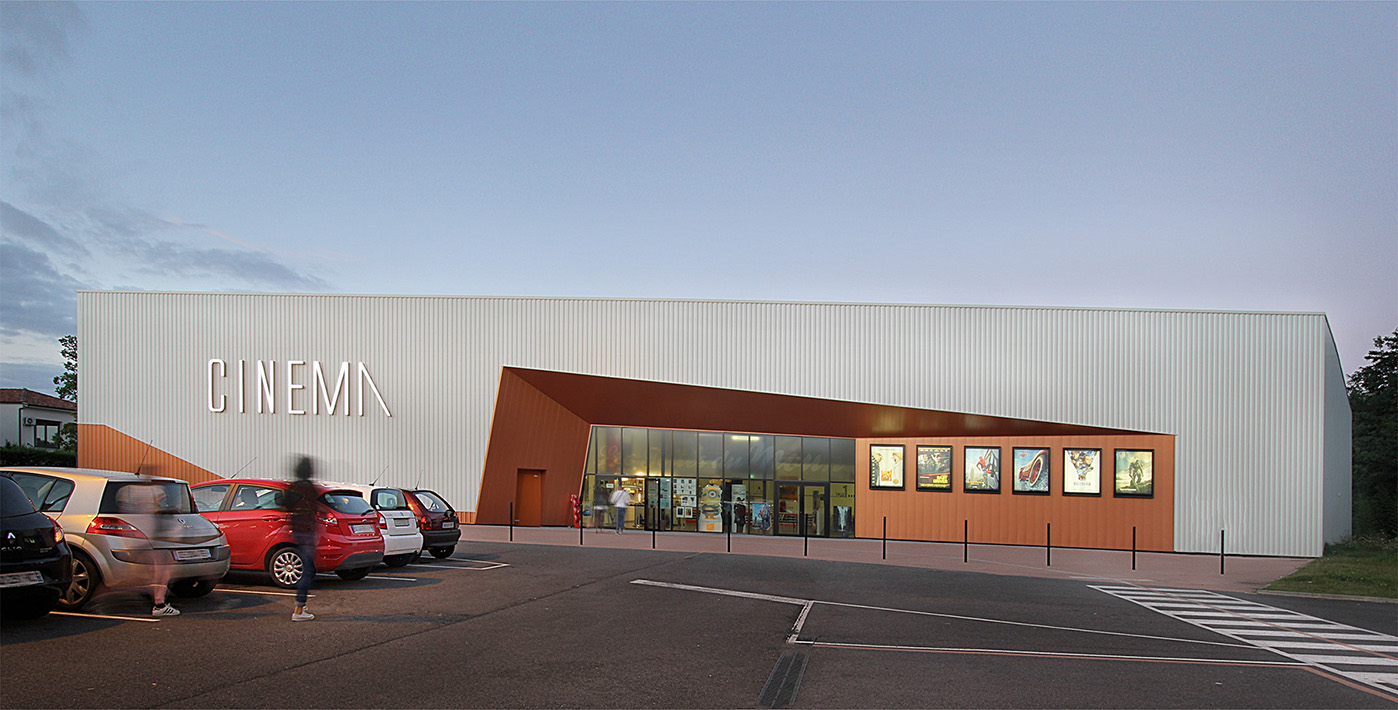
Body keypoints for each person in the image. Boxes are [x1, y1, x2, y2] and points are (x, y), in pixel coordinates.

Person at [117, 482, 179, 617]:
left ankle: (157, 603)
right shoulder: (154, 490)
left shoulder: (128, 490)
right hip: (154, 538)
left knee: (152, 571)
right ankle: (159, 604)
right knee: (162, 571)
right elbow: (159, 508)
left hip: (139, 536)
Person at [284, 457, 319, 621]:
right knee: (307, 570)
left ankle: (301, 607)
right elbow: (316, 507)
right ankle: (298, 609)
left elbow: (285, 504)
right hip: (307, 531)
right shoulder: (309, 488)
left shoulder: (292, 487)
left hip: (296, 531)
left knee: (307, 568)